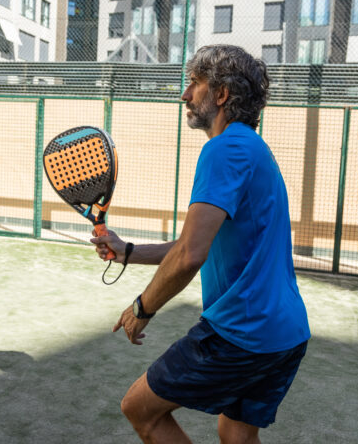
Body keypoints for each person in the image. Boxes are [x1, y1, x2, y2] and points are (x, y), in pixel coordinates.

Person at [91, 44, 310, 444]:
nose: (185, 94)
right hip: (286, 333)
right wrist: (129, 252)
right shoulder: (252, 148)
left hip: (242, 334)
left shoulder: (223, 149)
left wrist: (143, 307)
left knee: (140, 409)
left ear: (221, 94)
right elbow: (198, 243)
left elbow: (191, 255)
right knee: (236, 434)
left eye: (194, 83)